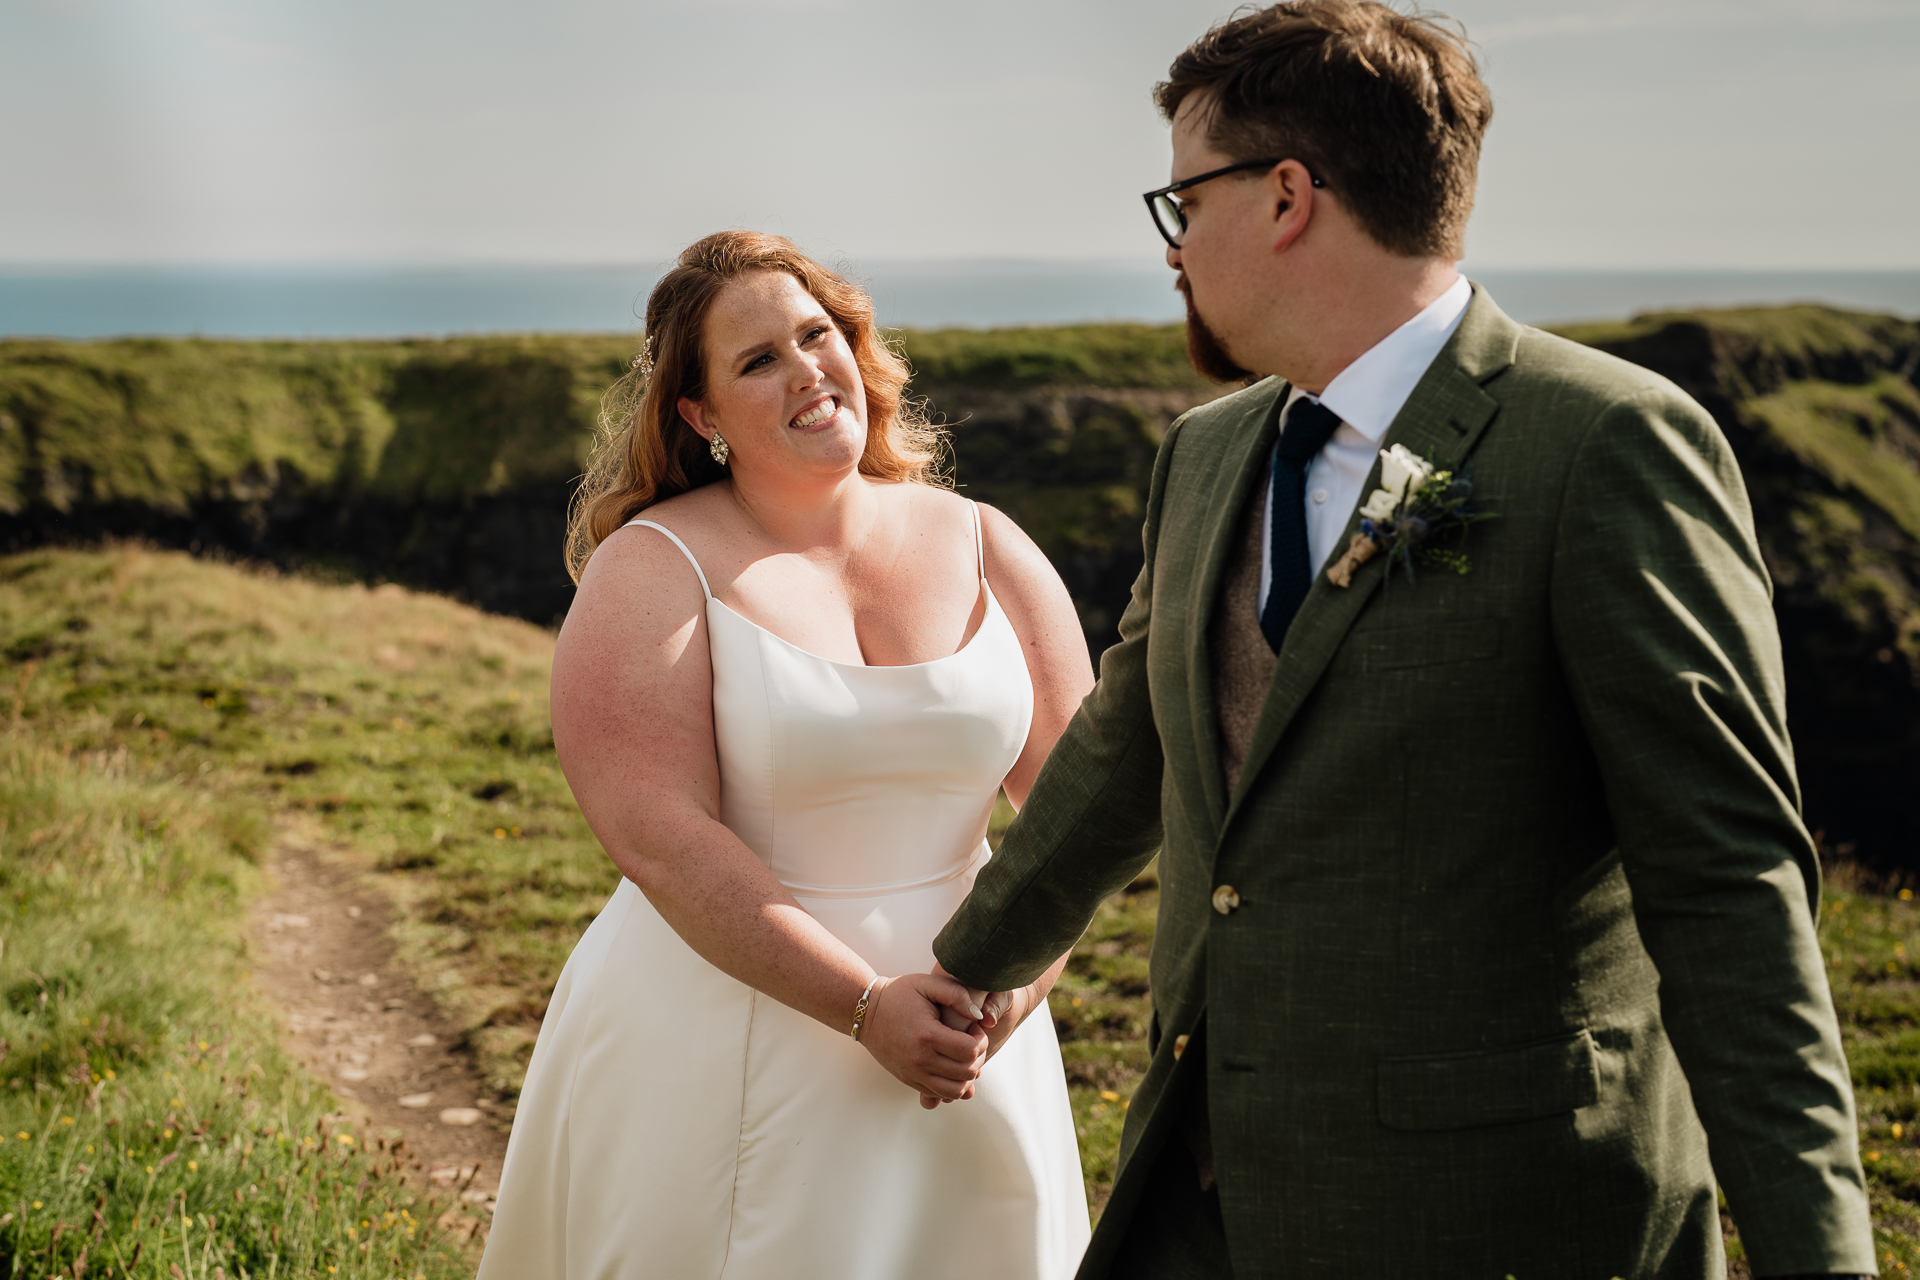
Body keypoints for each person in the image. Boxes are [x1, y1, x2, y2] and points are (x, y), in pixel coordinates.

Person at [933, 4, 1875, 1277]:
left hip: (1495, 1208)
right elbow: (1130, 748)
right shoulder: (1206, 453)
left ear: (1284, 198)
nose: (1173, 250)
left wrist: (1824, 1256)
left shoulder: (1602, 444)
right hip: (1199, 1189)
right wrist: (954, 974)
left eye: (1182, 204)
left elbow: (1726, 888)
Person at [477, 231, 1094, 1280]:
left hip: (974, 1040)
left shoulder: (987, 540)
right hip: (729, 1031)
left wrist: (1010, 988)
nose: (807, 368)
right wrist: (864, 1005)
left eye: (819, 334)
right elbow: (660, 837)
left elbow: (1084, 807)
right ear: (701, 415)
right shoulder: (654, 568)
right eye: (759, 359)